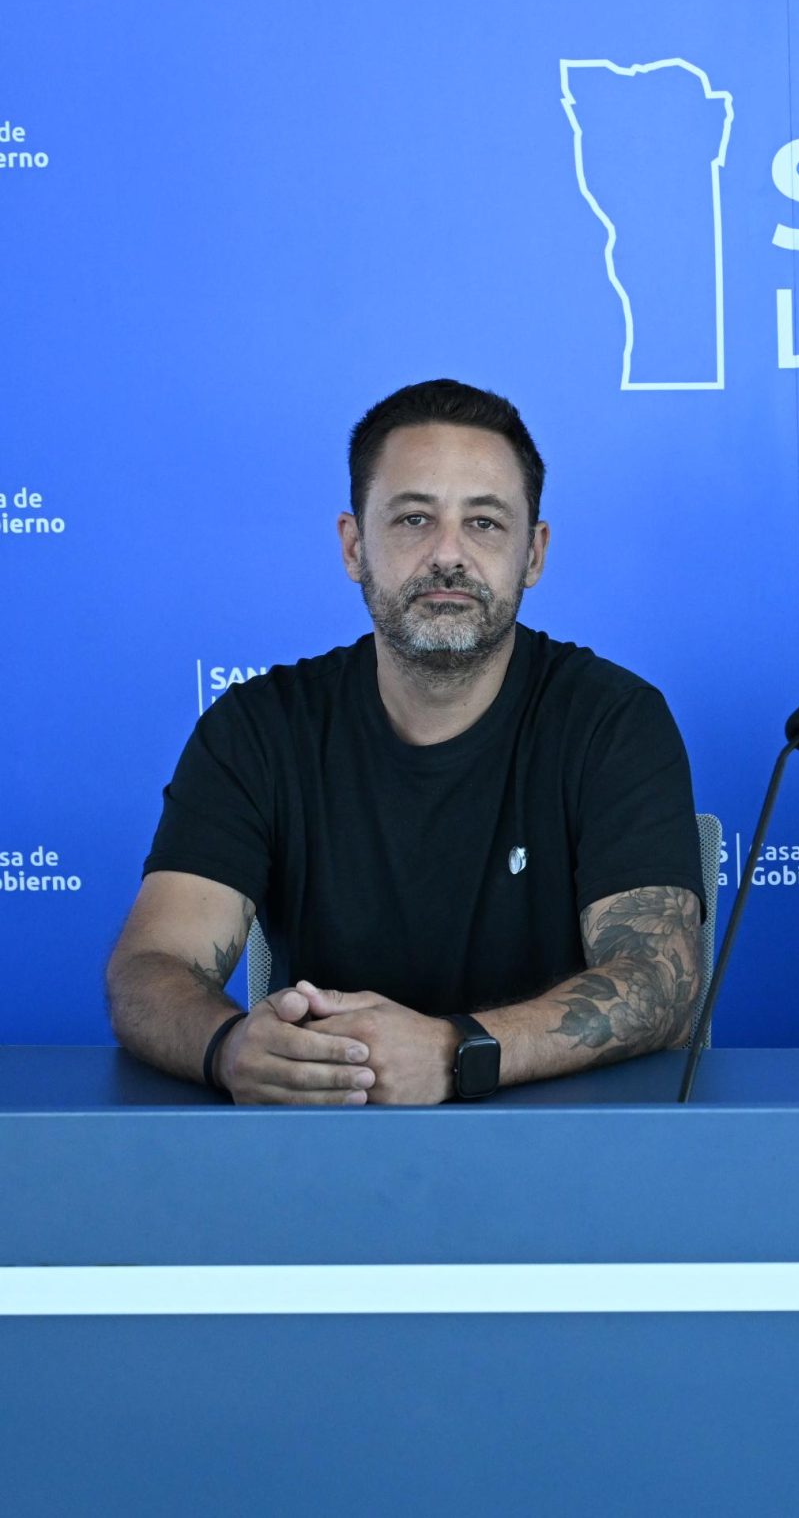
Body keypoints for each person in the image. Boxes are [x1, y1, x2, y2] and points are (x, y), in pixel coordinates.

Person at [105, 380, 706, 1104]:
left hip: (570, 1143)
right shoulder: (257, 728)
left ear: (534, 553)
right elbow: (153, 964)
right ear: (353, 545)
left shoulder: (613, 720)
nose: (448, 554)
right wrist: (231, 1047)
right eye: (414, 518)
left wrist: (457, 1052)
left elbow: (658, 980)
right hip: (328, 1136)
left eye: (484, 523)